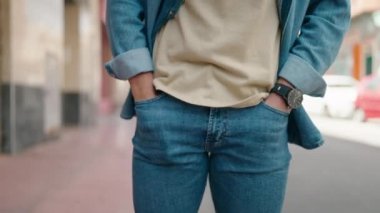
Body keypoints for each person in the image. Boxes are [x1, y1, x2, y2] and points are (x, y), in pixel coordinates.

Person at [105, 0, 351, 212]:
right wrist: (141, 84)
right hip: (166, 107)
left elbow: (330, 11)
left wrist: (286, 90)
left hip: (260, 115)